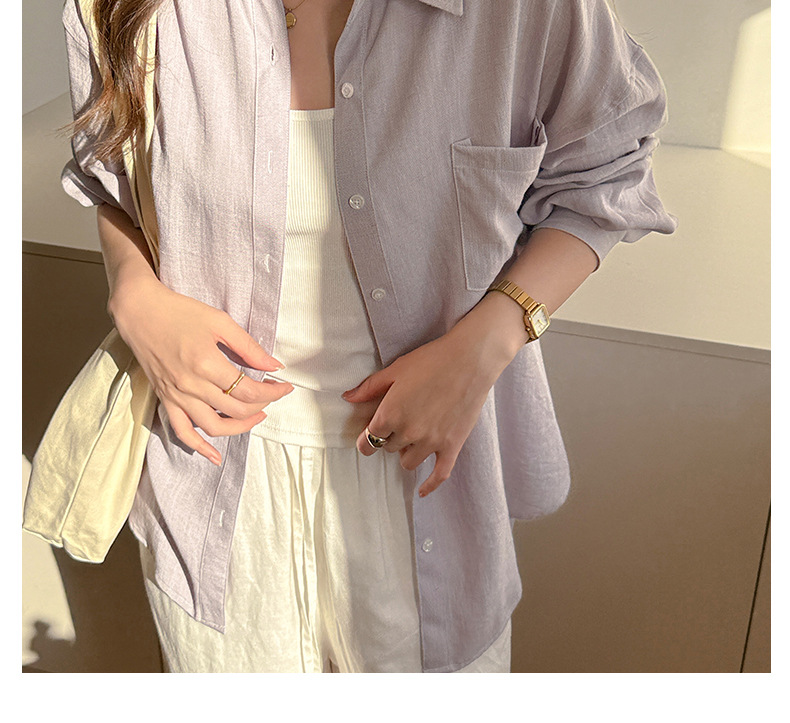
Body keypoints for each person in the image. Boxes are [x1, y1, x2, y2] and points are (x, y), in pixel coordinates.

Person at [59, 0, 677, 673]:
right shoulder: (132, 10)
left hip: (425, 478)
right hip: (214, 482)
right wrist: (133, 293)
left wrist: (488, 341)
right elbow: (113, 184)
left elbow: (607, 170)